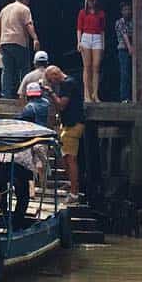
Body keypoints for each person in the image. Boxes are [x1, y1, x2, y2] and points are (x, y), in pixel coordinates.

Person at [0, 81, 51, 223]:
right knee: (23, 193)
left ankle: (6, 214)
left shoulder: (28, 109)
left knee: (5, 188)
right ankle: (18, 218)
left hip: (12, 162)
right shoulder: (45, 104)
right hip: (30, 154)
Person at [43, 64, 84, 203]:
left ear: (55, 74)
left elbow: (61, 104)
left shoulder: (67, 84)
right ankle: (73, 183)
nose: (51, 83)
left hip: (73, 125)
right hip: (68, 124)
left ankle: (74, 193)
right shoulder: (68, 83)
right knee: (64, 157)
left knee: (70, 158)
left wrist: (50, 93)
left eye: (50, 80)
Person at [0, 0, 40, 101]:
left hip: (5, 42)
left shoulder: (5, 9)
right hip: (19, 41)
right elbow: (28, 25)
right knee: (24, 69)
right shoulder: (24, 9)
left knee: (7, 71)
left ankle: (6, 96)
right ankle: (24, 95)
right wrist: (35, 38)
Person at [76, 0, 106, 103]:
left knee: (96, 66)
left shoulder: (101, 13)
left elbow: (103, 30)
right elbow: (79, 28)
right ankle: (87, 95)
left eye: (93, 0)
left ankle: (95, 94)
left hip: (97, 37)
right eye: (89, 0)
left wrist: (103, 44)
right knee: (87, 66)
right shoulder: (83, 12)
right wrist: (78, 42)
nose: (91, 2)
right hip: (86, 37)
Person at [115, 2, 134, 103]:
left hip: (134, 50)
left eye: (129, 9)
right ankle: (124, 97)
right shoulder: (119, 22)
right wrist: (130, 48)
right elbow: (125, 35)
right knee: (125, 73)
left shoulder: (133, 22)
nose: (128, 12)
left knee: (133, 74)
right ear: (121, 12)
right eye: (125, 10)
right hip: (123, 50)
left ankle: (133, 96)